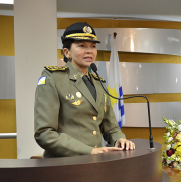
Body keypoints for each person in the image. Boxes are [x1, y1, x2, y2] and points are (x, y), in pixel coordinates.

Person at [34, 22, 134, 158]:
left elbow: (111, 127)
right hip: (64, 165)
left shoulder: (99, 82)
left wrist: (119, 139)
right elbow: (44, 133)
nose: (89, 51)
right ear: (66, 52)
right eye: (81, 46)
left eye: (93, 46)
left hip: (95, 163)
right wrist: (89, 151)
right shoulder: (53, 78)